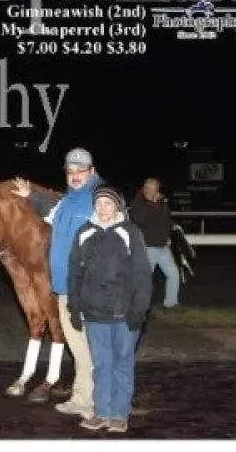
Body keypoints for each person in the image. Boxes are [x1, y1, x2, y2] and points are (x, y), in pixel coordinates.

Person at [12, 146, 101, 420]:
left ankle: (96, 402)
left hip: (88, 289)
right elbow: (52, 215)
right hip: (64, 288)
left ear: (92, 171)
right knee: (78, 348)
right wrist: (31, 196)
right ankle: (82, 396)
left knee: (92, 348)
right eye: (71, 171)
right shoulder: (68, 200)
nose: (75, 176)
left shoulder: (101, 200)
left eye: (80, 171)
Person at [67, 183, 152, 434]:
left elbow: (142, 274)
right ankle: (101, 412)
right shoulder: (84, 232)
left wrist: (140, 309)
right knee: (101, 364)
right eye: (99, 203)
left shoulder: (130, 232)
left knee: (122, 364)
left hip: (124, 314)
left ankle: (119, 414)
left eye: (108, 203)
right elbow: (75, 274)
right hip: (94, 314)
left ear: (117, 206)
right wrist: (75, 306)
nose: (103, 208)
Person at [128, 178, 181, 309]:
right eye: (147, 188)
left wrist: (173, 225)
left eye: (152, 189)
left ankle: (171, 303)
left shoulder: (162, 203)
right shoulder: (138, 203)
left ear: (157, 190)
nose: (149, 191)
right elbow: (139, 219)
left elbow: (164, 218)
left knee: (174, 274)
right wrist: (152, 203)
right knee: (143, 279)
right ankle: (138, 304)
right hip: (146, 248)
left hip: (163, 247)